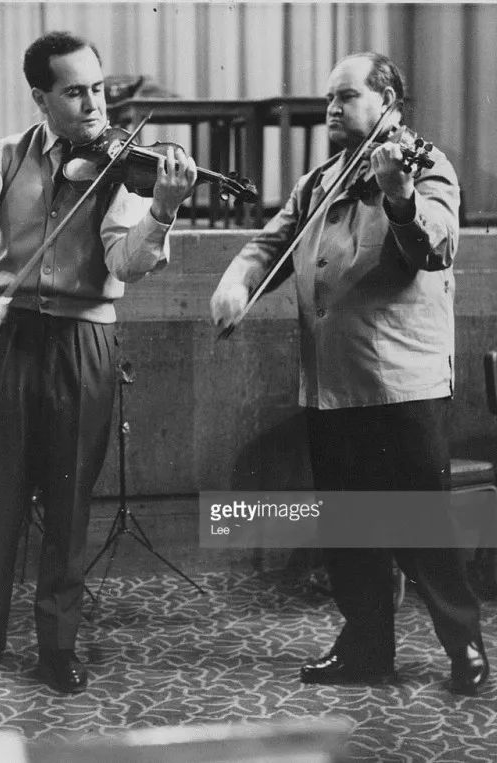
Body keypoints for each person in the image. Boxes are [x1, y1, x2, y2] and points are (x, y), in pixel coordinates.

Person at [0, 31, 197, 693]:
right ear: (41, 98)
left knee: (70, 501)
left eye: (98, 89)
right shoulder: (4, 155)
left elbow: (126, 262)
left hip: (83, 341)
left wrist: (162, 209)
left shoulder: (120, 166)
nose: (94, 105)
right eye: (75, 92)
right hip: (11, 337)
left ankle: (58, 645)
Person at [210, 52, 489, 695]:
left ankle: (464, 643)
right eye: (329, 99)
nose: (331, 109)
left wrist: (400, 196)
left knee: (423, 530)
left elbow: (437, 247)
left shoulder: (424, 165)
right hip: (330, 387)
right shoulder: (320, 181)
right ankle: (367, 648)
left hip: (399, 386)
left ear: (387, 101)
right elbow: (271, 243)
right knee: (349, 533)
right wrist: (238, 281)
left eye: (346, 96)